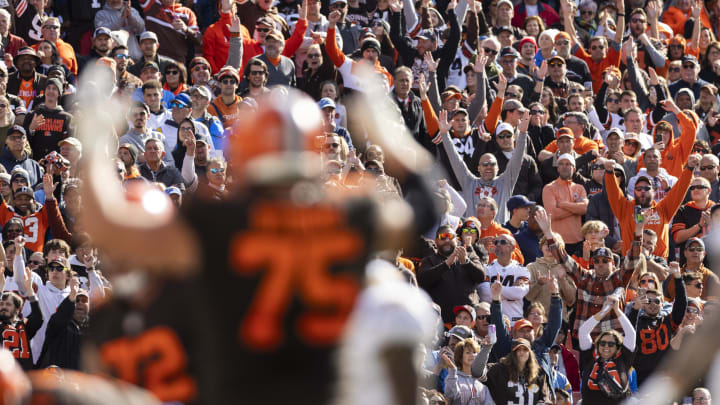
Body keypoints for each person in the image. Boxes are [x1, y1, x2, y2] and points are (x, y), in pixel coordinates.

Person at [437, 109, 530, 223]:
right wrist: (445, 135)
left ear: (498, 168)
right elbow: (455, 159)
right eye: (485, 164)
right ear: (478, 168)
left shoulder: (505, 182)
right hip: (473, 236)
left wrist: (523, 134)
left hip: (498, 236)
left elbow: (517, 158)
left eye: (492, 164)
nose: (488, 167)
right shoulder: (469, 182)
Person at [603, 154, 697, 258]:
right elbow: (613, 193)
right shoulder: (624, 209)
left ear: (654, 191)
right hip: (632, 263)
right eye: (638, 189)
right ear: (633, 191)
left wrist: (689, 169)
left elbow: (679, 191)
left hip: (658, 264)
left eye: (646, 188)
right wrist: (609, 173)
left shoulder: (663, 209)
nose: (642, 191)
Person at [628, 261, 686, 387]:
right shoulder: (637, 321)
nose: (653, 304)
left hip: (665, 380)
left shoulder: (668, 320)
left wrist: (677, 277)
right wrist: (635, 309)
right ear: (643, 303)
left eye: (656, 301)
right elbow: (629, 334)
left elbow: (681, 304)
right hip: (641, 382)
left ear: (662, 304)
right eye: (648, 301)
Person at [418, 225, 485, 324]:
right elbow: (423, 280)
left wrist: (466, 262)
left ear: (457, 240)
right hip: (442, 323)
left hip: (468, 321)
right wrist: (446, 264)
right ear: (436, 241)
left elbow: (481, 277)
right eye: (442, 237)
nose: (446, 240)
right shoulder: (429, 260)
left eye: (449, 236)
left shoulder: (468, 255)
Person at [578, 294, 636, 405]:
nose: (606, 347)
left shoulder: (623, 358)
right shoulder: (590, 355)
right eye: (602, 343)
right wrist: (604, 311)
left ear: (617, 347)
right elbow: (583, 331)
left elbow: (631, 334)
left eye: (611, 344)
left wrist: (617, 310)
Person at [479, 338, 552, 404]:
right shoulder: (499, 370)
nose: (522, 352)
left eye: (525, 350)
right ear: (512, 354)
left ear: (530, 353)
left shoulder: (539, 373)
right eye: (518, 350)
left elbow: (545, 399)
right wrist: (485, 349)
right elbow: (478, 372)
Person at [36, 277, 88, 370]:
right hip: (56, 379)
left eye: (84, 300)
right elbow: (61, 315)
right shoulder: (57, 323)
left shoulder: (94, 328)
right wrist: (72, 295)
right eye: (76, 300)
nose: (80, 303)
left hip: (81, 380)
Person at [542, 153, 588, 255]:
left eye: (568, 164)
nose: (564, 167)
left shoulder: (579, 188)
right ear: (557, 169)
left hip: (578, 241)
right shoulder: (549, 188)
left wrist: (563, 204)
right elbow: (553, 213)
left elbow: (584, 208)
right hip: (557, 241)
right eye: (561, 164)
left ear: (574, 169)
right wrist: (576, 208)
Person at [478, 233, 529, 323]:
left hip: (514, 321)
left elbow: (519, 293)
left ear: (513, 247)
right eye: (496, 242)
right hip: (492, 321)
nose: (498, 244)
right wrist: (510, 292)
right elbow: (484, 294)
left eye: (503, 242)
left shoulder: (522, 270)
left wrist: (494, 290)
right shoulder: (486, 268)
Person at [0, 270, 42, 370]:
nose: (4, 307)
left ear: (18, 309)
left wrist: (30, 291)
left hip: (23, 377)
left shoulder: (24, 325)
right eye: (1, 304)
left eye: (8, 304)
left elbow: (38, 317)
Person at [23, 78, 73, 158]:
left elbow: (71, 144)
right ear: (44, 91)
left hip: (58, 163)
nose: (51, 91)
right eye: (48, 88)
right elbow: (23, 142)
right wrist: (31, 129)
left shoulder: (67, 118)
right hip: (35, 161)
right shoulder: (32, 115)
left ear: (59, 93)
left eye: (54, 89)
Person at [140, 0, 201, 64]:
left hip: (177, 62)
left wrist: (186, 29)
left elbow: (199, 40)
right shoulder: (151, 4)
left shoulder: (187, 13)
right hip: (156, 60)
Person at [442, 337, 493, 405]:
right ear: (460, 357)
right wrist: (452, 370)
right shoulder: (453, 378)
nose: (472, 355)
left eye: (474, 352)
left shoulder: (483, 386)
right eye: (468, 352)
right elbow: (452, 396)